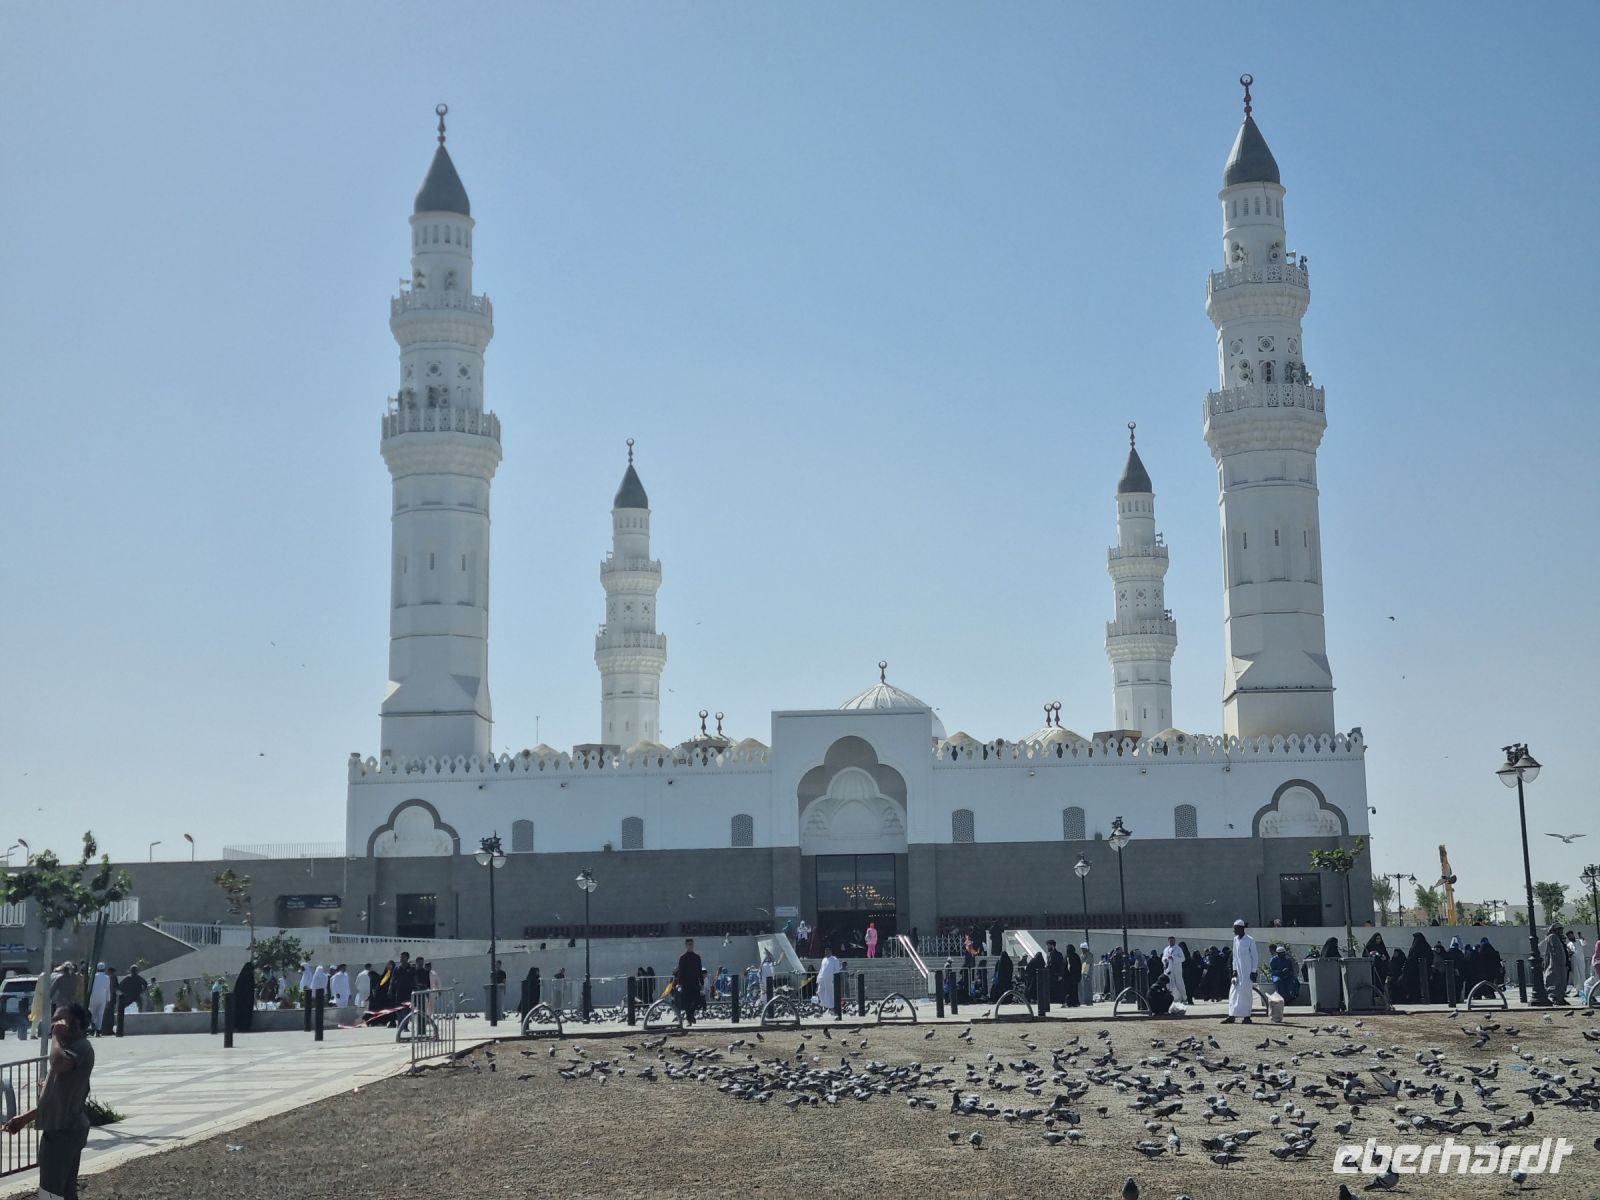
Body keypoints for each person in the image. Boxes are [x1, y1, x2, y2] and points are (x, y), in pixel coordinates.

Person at [4, 1003, 94, 1199]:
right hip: (61, 1128)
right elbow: (55, 1098)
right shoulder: (67, 1049)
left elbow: (58, 1064)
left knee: (50, 1192)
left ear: (77, 1024)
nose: (55, 1025)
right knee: (65, 1191)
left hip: (64, 1131)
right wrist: (24, 1119)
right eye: (54, 1021)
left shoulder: (80, 1047)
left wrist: (55, 1037)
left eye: (61, 1021)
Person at [1222, 919, 1258, 1023]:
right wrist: (1234, 970)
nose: (1233, 930)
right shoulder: (1235, 940)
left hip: (1247, 972)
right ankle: (1232, 1015)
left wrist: (1253, 971)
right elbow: (1234, 957)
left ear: (1241, 928)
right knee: (1233, 992)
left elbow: (1255, 956)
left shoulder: (1250, 940)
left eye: (1235, 928)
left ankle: (1247, 1017)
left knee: (1246, 993)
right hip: (1237, 972)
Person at [674, 939, 705, 1025]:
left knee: (696, 1000)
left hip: (695, 982)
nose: (690, 946)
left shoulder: (697, 957)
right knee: (687, 1001)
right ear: (686, 945)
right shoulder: (682, 958)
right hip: (686, 983)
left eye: (691, 944)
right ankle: (689, 1018)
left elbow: (699, 970)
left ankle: (691, 1015)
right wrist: (679, 983)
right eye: (689, 944)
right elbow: (680, 971)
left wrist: (701, 982)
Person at [1542, 923, 1571, 1003]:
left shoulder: (1558, 938)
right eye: (1560, 929)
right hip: (1556, 964)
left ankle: (1560, 997)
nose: (1561, 931)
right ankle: (1556, 997)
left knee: (1561, 981)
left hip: (1561, 964)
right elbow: (1554, 952)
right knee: (1555, 981)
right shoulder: (1552, 937)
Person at [816, 947, 842, 1017]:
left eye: (827, 952)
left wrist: (835, 979)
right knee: (820, 992)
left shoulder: (835, 960)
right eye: (825, 952)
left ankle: (831, 1008)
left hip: (831, 980)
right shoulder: (824, 959)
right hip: (822, 979)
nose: (825, 953)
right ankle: (824, 1005)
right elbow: (821, 969)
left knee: (830, 994)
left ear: (830, 952)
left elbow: (837, 970)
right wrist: (818, 978)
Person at [1161, 937, 1188, 1004]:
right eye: (1170, 941)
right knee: (1170, 983)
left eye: (1173, 941)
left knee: (1179, 983)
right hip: (1169, 969)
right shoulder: (1166, 949)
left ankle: (1183, 998)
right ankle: (1174, 998)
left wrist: (1173, 958)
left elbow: (1183, 958)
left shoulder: (1178, 949)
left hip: (1177, 968)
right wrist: (1165, 959)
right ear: (1168, 941)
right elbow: (1163, 957)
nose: (1171, 942)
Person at [233, 961, 257, 1032]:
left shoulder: (241, 977)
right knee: (246, 1013)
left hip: (239, 1000)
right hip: (248, 1000)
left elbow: (236, 989)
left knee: (240, 1012)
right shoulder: (250, 977)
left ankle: (239, 1026)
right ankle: (246, 1026)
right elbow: (252, 987)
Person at [88, 964, 111, 1036]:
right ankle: (98, 1030)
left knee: (92, 1012)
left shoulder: (93, 976)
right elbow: (108, 989)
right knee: (100, 1014)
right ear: (104, 969)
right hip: (102, 997)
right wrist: (108, 1000)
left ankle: (93, 1024)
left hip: (93, 996)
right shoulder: (107, 977)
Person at [99, 967, 119, 1036]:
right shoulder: (112, 978)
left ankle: (106, 1030)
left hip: (107, 999)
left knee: (107, 1015)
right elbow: (115, 988)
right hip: (110, 999)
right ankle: (107, 1030)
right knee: (109, 1015)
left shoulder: (106, 978)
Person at [1046, 940, 1066, 1005]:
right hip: (1050, 975)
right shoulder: (1049, 955)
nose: (1047, 947)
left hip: (1056, 975)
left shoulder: (1058, 954)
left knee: (1056, 989)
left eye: (1048, 946)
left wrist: (1060, 975)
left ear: (1052, 946)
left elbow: (1061, 965)